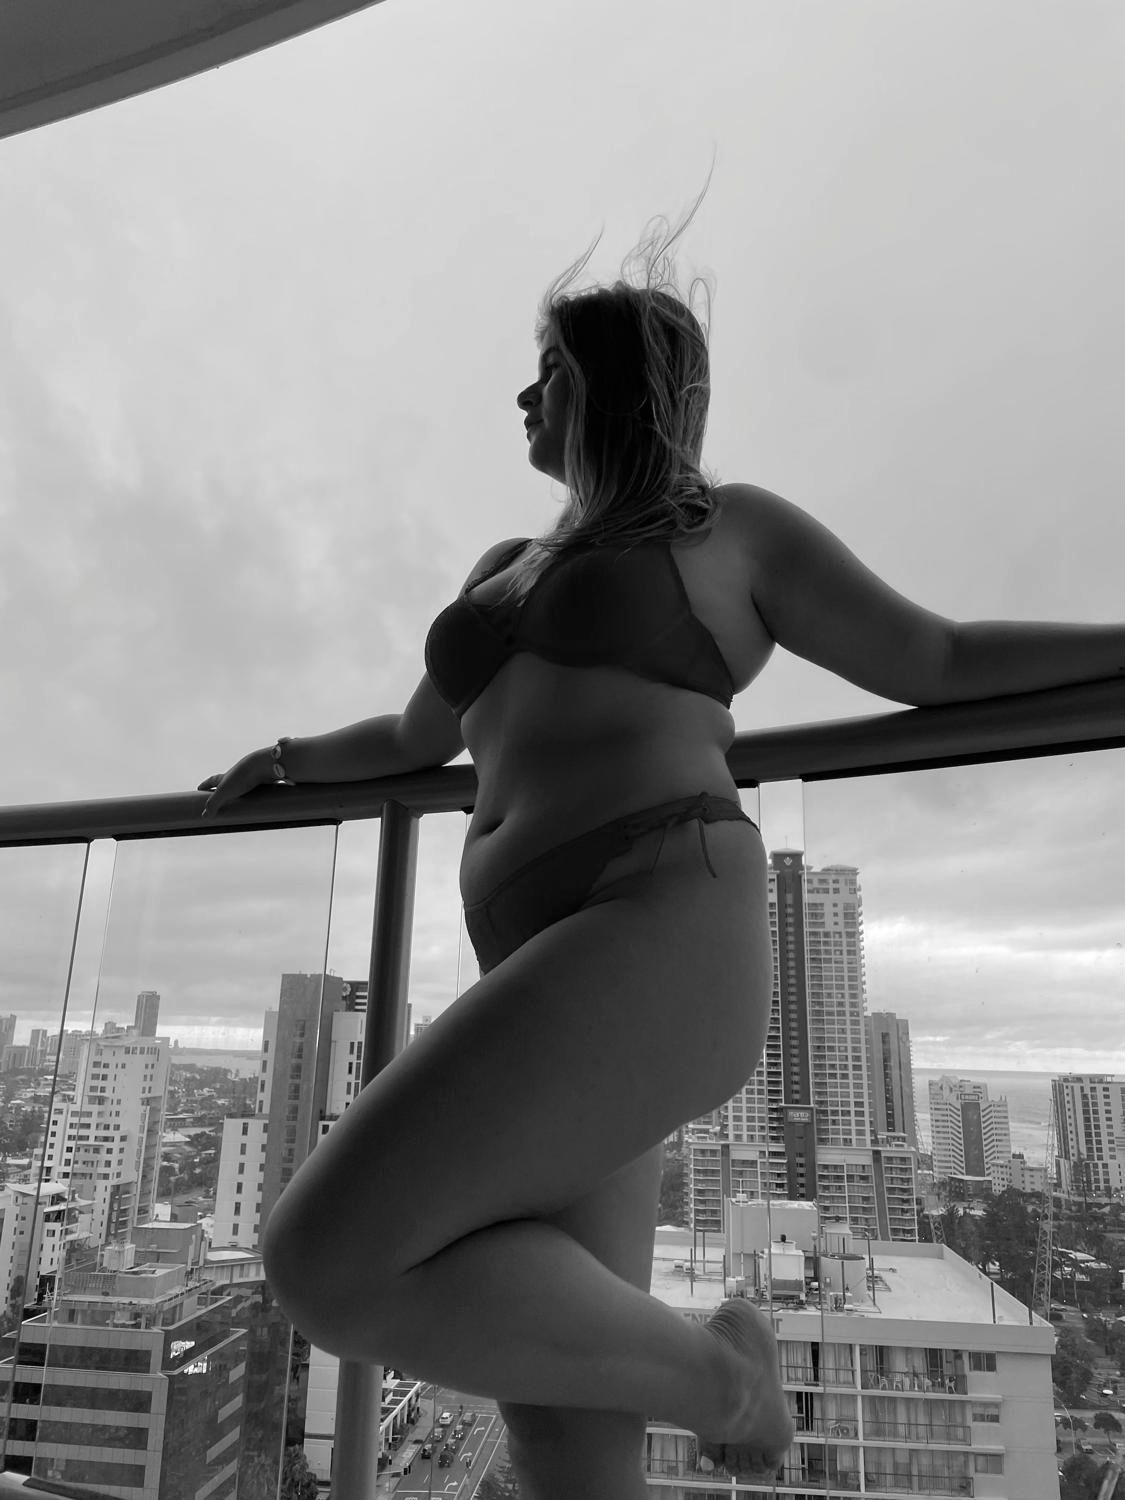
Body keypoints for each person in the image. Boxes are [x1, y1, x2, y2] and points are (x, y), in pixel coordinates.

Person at [197, 212, 1125, 1500]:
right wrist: (287, 756)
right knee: (567, 1442)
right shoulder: (501, 566)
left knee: (324, 1258)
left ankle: (729, 1382)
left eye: (550, 372)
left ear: (616, 388)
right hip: (547, 970)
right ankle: (698, 1388)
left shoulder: (727, 528)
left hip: (659, 920)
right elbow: (414, 738)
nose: (523, 397)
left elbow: (938, 656)